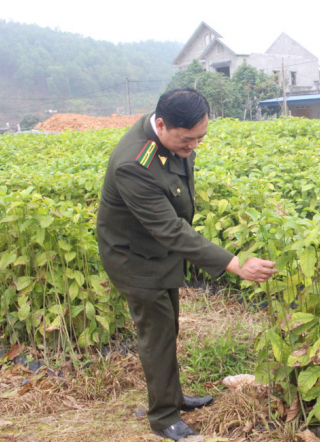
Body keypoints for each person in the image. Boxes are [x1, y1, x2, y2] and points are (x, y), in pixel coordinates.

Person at [96, 88, 278, 440]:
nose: (193, 146)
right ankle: (163, 417)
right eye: (187, 139)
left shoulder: (171, 141)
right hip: (135, 258)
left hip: (160, 252)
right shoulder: (136, 162)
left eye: (200, 138)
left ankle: (172, 396)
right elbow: (168, 228)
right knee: (157, 335)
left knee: (168, 327)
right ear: (161, 124)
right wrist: (234, 262)